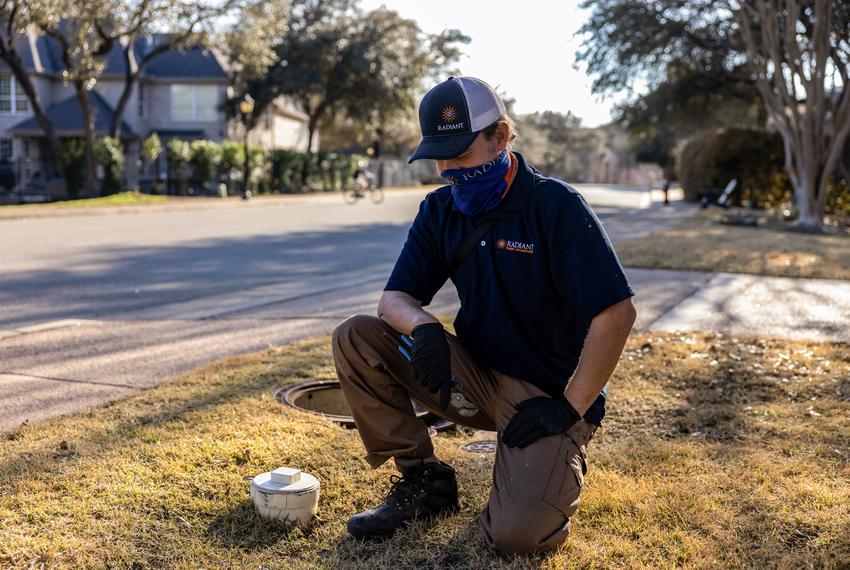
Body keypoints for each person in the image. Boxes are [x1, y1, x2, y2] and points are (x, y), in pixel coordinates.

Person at [332, 76, 637, 555]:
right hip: (473, 376)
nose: (451, 168)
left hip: (547, 395)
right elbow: (393, 299)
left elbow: (617, 314)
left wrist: (570, 406)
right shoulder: (439, 210)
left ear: (501, 135)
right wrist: (424, 325)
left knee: (517, 538)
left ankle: (551, 457)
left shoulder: (556, 207)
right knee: (357, 337)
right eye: (441, 155)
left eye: (462, 154)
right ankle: (424, 481)